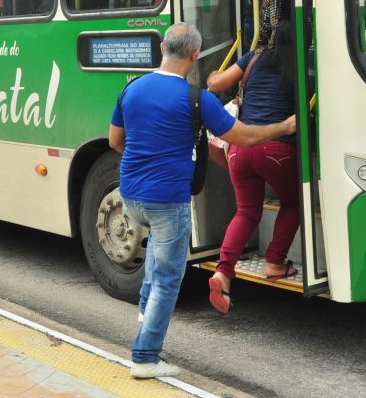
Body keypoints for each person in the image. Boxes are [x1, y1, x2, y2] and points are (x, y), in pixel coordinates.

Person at [109, 22, 296, 379]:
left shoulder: (131, 90)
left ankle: (146, 309)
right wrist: (283, 129)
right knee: (168, 277)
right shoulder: (196, 98)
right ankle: (145, 357)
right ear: (195, 55)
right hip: (168, 199)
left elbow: (115, 141)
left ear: (163, 46)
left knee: (154, 250)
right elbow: (243, 135)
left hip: (130, 194)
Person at [205, 21, 299, 314]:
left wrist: (212, 74)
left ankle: (223, 272)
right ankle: (274, 262)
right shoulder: (305, 59)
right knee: (294, 203)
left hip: (240, 148)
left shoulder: (254, 56)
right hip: (277, 147)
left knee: (247, 212)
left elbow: (216, 84)